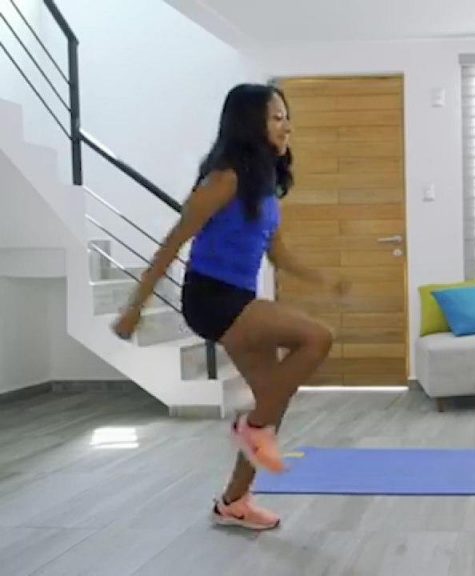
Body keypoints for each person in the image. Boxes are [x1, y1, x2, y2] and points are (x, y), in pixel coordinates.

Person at [113, 83, 345, 530]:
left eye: (287, 117)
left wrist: (324, 279)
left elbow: (278, 254)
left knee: (271, 401)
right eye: (277, 118)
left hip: (239, 297)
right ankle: (251, 430)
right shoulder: (224, 179)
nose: (287, 126)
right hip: (210, 297)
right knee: (317, 338)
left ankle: (233, 502)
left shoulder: (265, 186)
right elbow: (172, 243)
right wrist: (135, 307)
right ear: (251, 124)